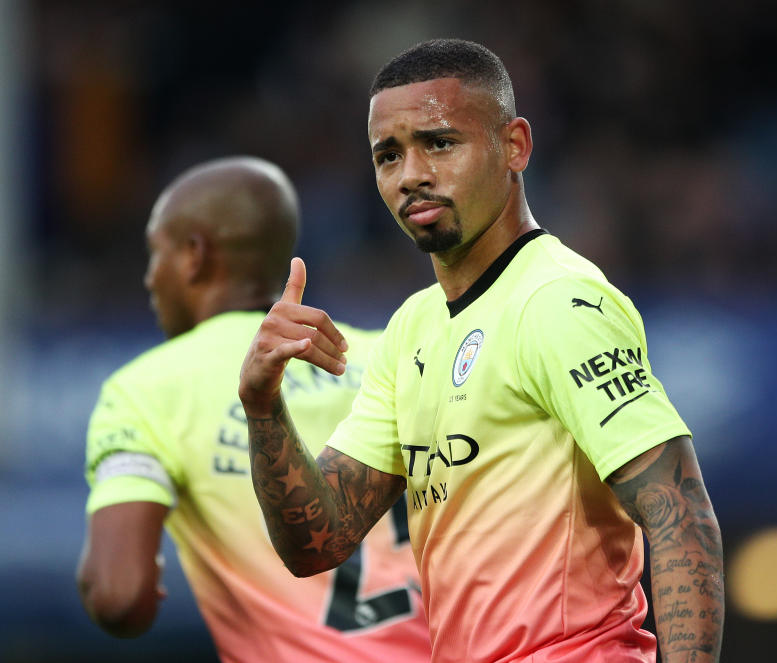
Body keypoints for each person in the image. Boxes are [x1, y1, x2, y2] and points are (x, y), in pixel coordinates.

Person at [238, 39, 724, 663]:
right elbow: (318, 539)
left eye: (439, 143)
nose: (411, 174)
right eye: (389, 154)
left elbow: (680, 514)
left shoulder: (558, 302)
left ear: (515, 146)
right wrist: (262, 406)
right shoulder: (413, 327)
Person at [76, 157, 431, 663]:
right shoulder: (389, 355)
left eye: (156, 255)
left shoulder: (143, 390)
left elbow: (120, 595)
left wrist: (101, 577)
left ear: (195, 255)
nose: (150, 279)